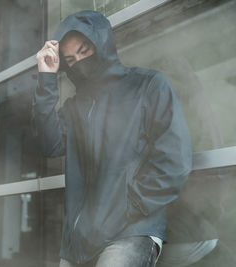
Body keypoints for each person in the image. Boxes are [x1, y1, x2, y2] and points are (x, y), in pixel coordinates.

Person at [31, 10, 192, 267]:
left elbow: (174, 160)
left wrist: (130, 206)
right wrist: (47, 77)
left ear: (103, 43)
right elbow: (48, 144)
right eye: (70, 59)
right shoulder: (75, 108)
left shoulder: (148, 85)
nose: (79, 62)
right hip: (79, 241)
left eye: (85, 50)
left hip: (131, 231)